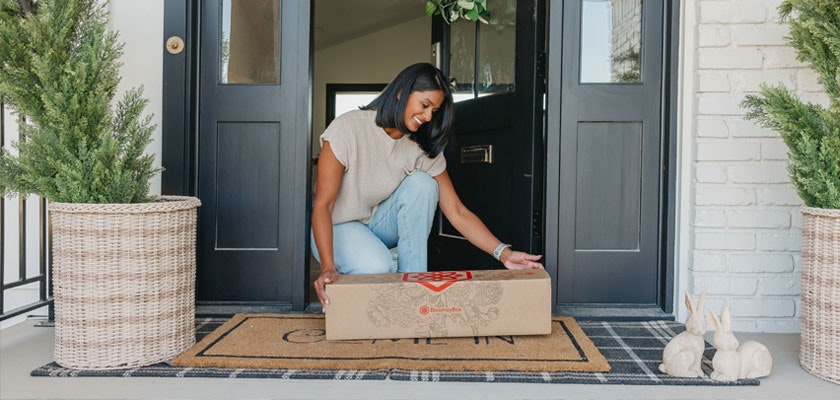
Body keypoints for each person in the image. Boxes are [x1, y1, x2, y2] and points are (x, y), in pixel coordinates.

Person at [312, 63, 543, 309]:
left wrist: (504, 254)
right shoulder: (349, 128)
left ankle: (413, 287)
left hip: (377, 222)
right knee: (377, 267)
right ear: (401, 92)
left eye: (434, 110)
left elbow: (457, 210)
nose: (428, 116)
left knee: (423, 184)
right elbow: (323, 205)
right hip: (337, 226)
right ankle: (377, 262)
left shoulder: (420, 149)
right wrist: (327, 266)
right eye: (424, 105)